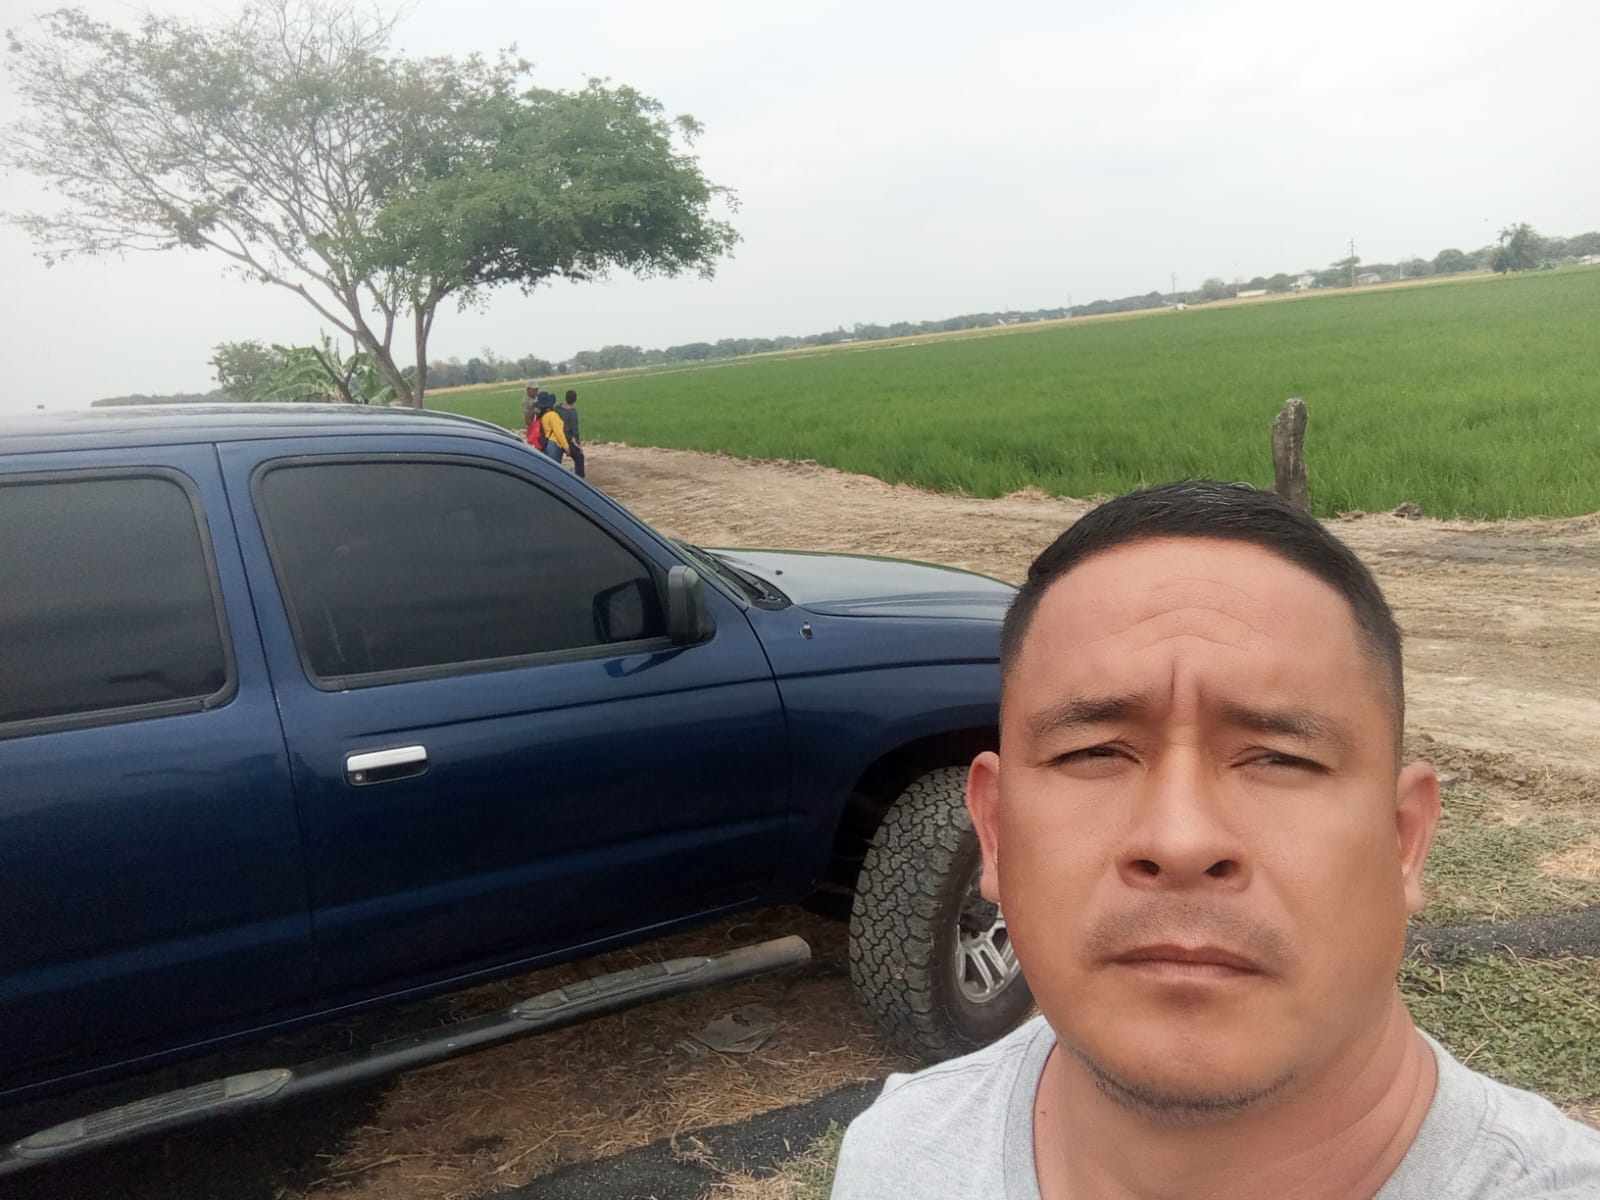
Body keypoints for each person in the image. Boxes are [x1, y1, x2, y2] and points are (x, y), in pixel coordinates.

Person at [831, 480, 1600, 1200]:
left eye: (1280, 758)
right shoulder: (897, 1160)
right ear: (996, 833)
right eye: (1094, 752)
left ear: (1403, 840)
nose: (1180, 839)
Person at [537, 392, 569, 465]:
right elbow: (559, 433)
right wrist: (566, 447)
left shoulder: (543, 416)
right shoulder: (552, 415)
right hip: (554, 444)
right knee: (555, 468)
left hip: (547, 443)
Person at [559, 389, 585, 479]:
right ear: (575, 400)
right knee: (579, 457)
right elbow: (575, 432)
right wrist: (579, 446)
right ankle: (580, 479)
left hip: (557, 438)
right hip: (567, 439)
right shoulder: (572, 412)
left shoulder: (557, 408)